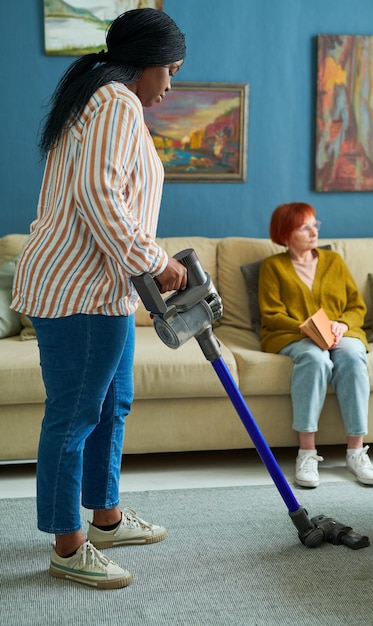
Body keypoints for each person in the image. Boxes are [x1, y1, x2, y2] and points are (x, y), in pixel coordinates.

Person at [11, 8, 187, 589]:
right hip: (78, 288)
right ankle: (68, 544)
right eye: (171, 72)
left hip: (99, 287)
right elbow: (99, 194)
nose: (171, 86)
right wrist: (155, 260)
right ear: (149, 64)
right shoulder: (115, 100)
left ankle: (106, 518)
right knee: (76, 416)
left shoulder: (101, 97)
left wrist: (144, 261)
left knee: (112, 404)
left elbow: (106, 197)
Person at [258, 202, 373, 489]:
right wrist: (306, 328)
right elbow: (271, 314)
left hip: (339, 334)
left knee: (352, 354)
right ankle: (307, 453)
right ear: (286, 234)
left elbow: (356, 305)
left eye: (315, 224)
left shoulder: (334, 261)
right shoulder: (272, 267)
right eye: (305, 227)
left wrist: (342, 325)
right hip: (293, 336)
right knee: (315, 359)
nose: (314, 231)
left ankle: (356, 452)